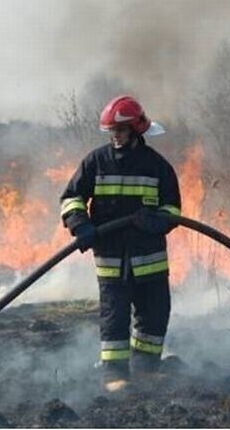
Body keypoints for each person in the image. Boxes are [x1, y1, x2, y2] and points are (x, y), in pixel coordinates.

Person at [59, 95, 181, 392]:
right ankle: (115, 375)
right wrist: (80, 224)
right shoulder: (95, 162)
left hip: (149, 255)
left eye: (121, 131)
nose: (115, 137)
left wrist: (157, 222)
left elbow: (173, 208)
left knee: (155, 313)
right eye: (111, 131)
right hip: (112, 257)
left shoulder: (157, 166)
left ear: (136, 131)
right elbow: (71, 198)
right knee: (114, 316)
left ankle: (147, 369)